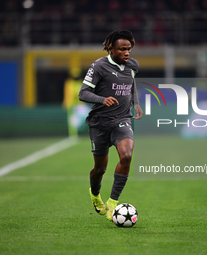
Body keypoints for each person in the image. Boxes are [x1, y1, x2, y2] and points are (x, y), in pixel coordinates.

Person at [78, 30, 143, 221]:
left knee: (127, 155)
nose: (127, 53)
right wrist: (102, 99)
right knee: (100, 169)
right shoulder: (98, 67)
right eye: (122, 49)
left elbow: (132, 84)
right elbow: (83, 93)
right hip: (100, 123)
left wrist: (136, 103)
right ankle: (95, 194)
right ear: (111, 49)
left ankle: (113, 203)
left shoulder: (132, 65)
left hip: (122, 119)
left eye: (129, 49)